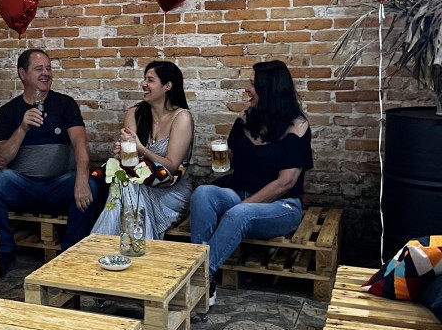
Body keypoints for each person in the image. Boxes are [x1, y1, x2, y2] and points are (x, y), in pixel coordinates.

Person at [190, 60, 313, 306]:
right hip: (240, 193)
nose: (247, 89)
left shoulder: (297, 126)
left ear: (270, 89)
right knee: (202, 193)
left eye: (253, 84)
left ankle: (197, 278)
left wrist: (239, 208)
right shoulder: (246, 117)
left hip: (281, 206)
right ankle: (201, 275)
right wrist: (222, 154)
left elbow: (286, 183)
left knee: (240, 213)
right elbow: (237, 159)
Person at [0, 48, 100, 276]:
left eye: (48, 68)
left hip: (59, 184)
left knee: (92, 186)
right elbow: (0, 160)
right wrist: (23, 128)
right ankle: (5, 252)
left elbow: (80, 145)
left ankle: (72, 252)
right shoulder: (8, 112)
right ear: (22, 74)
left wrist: (82, 180)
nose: (46, 73)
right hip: (22, 185)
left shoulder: (65, 104)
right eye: (39, 69)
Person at [91, 61, 193, 240]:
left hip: (170, 189)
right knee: (128, 184)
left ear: (167, 86)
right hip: (138, 183)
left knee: (128, 185)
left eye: (150, 80)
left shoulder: (182, 117)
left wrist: (142, 150)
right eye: (144, 79)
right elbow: (129, 159)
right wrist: (121, 153)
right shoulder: (135, 113)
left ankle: (106, 244)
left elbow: (171, 165)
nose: (144, 84)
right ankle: (134, 245)